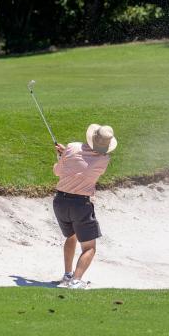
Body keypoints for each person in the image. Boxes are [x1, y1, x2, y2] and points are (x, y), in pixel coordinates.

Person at [51, 123, 117, 289]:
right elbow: (84, 166)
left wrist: (63, 156)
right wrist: (66, 156)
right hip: (80, 205)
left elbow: (58, 172)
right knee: (89, 248)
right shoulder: (104, 159)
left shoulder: (72, 147)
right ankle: (75, 281)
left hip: (60, 202)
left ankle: (67, 275)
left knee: (71, 237)